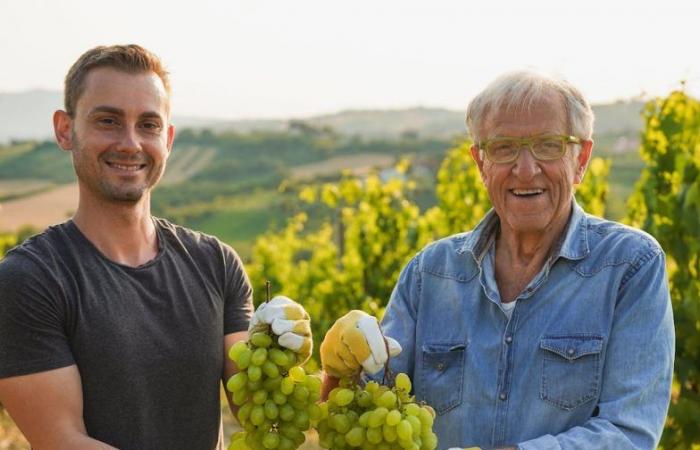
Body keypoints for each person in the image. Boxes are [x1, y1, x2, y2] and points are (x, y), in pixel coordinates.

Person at [320, 71, 675, 450]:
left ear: (581, 159)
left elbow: (629, 435)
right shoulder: (430, 274)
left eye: (548, 145)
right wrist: (338, 371)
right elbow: (362, 419)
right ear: (480, 162)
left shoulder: (629, 266)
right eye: (504, 148)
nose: (525, 169)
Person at [0, 44, 311, 450]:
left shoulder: (216, 263)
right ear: (65, 129)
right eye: (108, 121)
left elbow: (254, 404)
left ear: (167, 138)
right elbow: (62, 440)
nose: (130, 143)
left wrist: (297, 354)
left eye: (148, 124)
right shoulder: (30, 280)